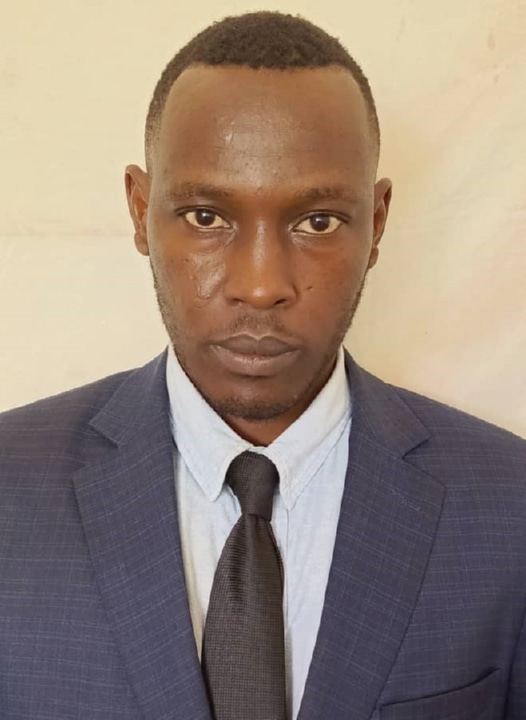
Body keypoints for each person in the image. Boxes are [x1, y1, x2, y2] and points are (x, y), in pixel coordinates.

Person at [0, 10, 525, 720]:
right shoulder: (9, 489)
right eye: (206, 217)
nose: (259, 284)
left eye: (317, 222)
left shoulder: (509, 508)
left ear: (377, 222)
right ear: (140, 209)